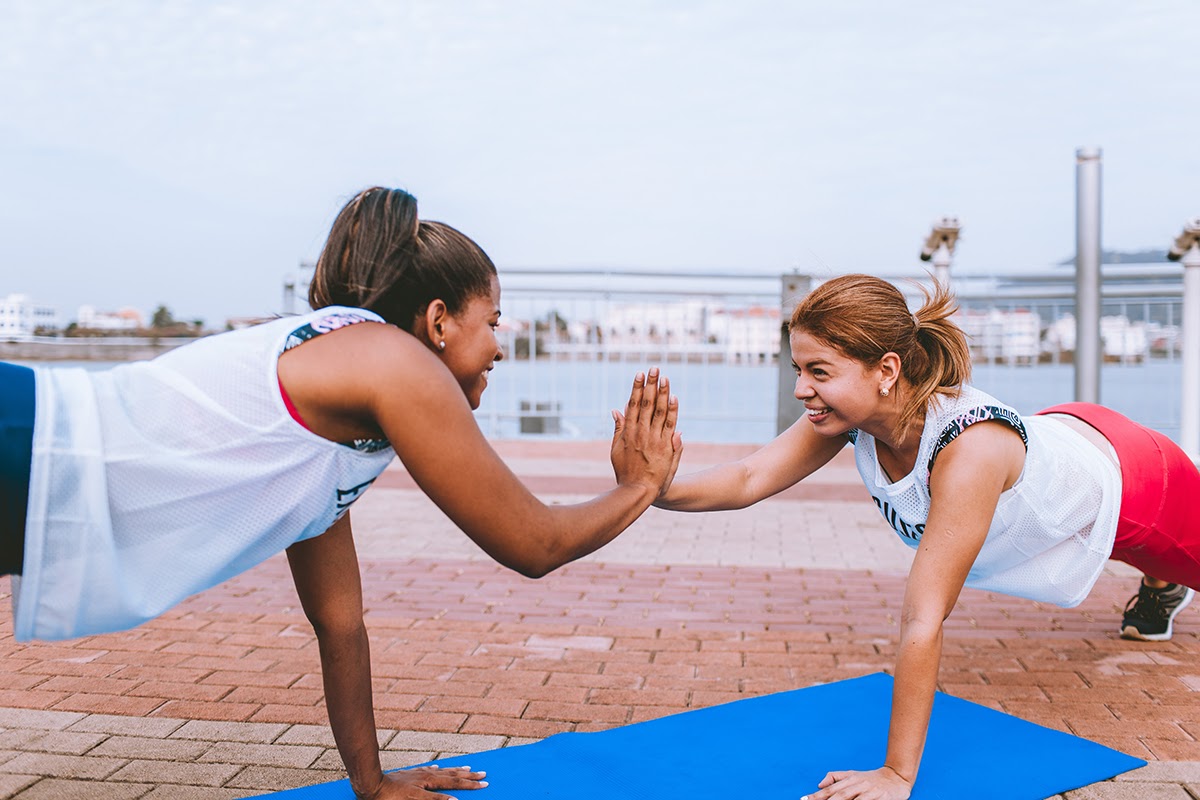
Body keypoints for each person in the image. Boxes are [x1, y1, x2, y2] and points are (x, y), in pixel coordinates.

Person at [0, 186, 683, 800]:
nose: (500, 348)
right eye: (494, 322)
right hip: (30, 442)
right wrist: (641, 484)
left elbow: (340, 621)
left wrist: (371, 782)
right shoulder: (392, 362)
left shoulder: (339, 415)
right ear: (440, 321)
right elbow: (534, 544)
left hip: (32, 468)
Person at [653, 273, 1198, 800]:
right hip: (1064, 431)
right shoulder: (849, 416)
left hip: (1136, 480)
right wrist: (652, 486)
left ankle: (1163, 580)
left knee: (1168, 555)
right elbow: (750, 477)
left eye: (818, 371)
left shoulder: (969, 450)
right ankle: (1160, 581)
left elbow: (923, 616)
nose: (801, 390)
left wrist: (897, 773)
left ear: (885, 369)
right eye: (798, 369)